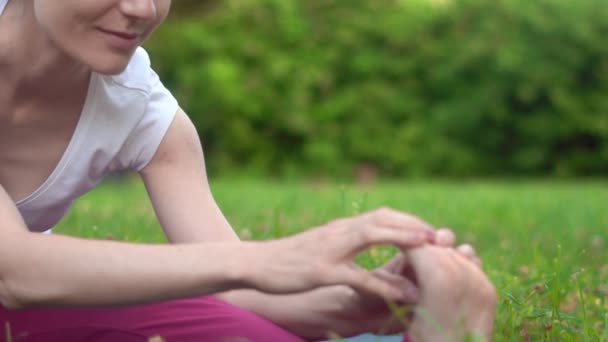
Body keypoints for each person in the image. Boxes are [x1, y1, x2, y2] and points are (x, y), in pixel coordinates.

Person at [0, 0, 497, 341]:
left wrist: (353, 305)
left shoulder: (143, 111)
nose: (142, 9)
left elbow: (232, 288)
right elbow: (16, 272)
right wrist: (269, 258)